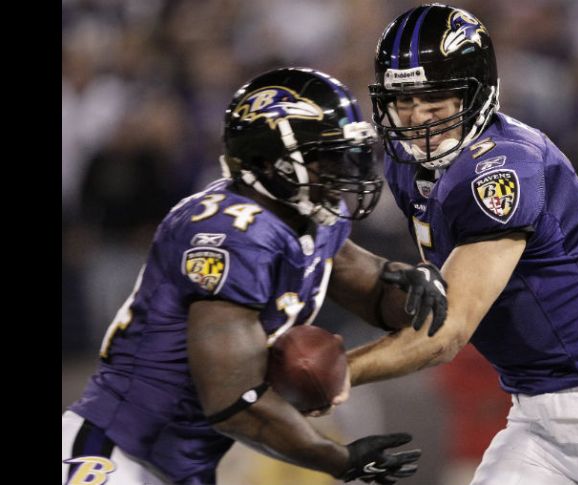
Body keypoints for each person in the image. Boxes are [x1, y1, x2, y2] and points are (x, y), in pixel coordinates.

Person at [348, 4, 578, 485]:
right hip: (532, 416)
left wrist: (338, 370)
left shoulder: (502, 167)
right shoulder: (407, 165)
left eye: (435, 99)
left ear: (477, 91)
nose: (418, 119)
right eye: (403, 101)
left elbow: (447, 330)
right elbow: (426, 302)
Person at [61, 67, 449, 485]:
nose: (346, 167)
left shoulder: (313, 215)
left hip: (181, 466)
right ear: (270, 161)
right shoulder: (227, 234)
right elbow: (233, 402)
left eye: (347, 152)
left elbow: (375, 293)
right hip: (118, 451)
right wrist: (338, 458)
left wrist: (419, 286)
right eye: (326, 155)